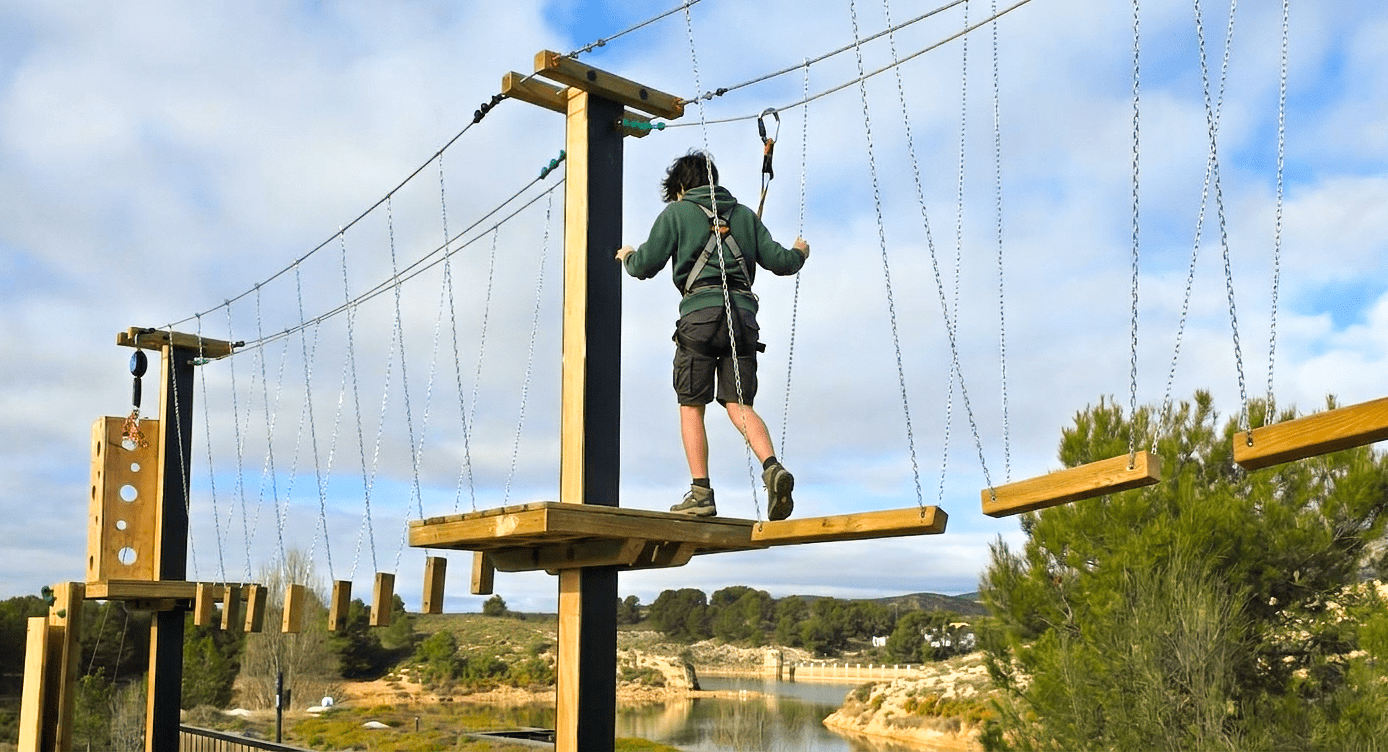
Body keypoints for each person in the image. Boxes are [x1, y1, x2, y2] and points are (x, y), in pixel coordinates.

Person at [616, 151, 810, 520]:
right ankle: (772, 468)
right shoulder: (744, 216)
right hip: (742, 320)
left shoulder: (676, 213)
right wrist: (800, 252)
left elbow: (644, 266)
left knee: (691, 404)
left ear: (682, 187)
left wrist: (627, 255)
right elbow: (782, 262)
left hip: (699, 319)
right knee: (739, 404)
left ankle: (701, 493)